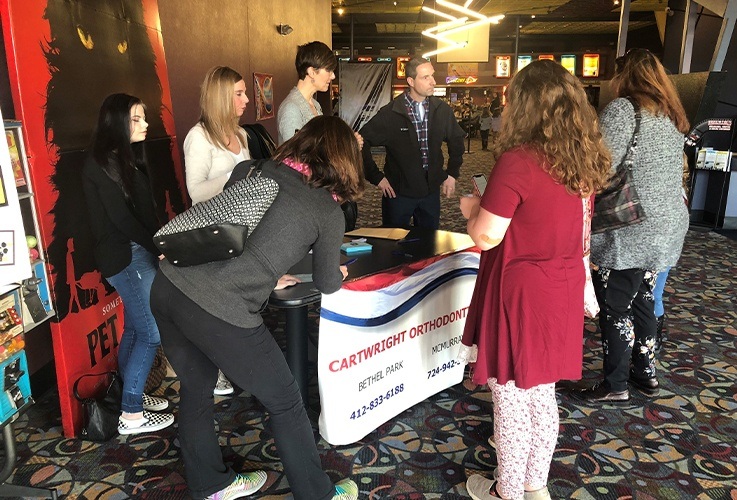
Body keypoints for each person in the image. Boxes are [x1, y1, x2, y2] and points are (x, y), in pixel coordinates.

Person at [150, 115, 363, 500]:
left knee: (196, 389)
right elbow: (329, 283)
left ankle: (209, 485)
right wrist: (338, 270)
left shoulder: (254, 169)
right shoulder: (327, 211)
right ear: (345, 160)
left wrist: (267, 272)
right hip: (218, 308)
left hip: (168, 283)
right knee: (285, 401)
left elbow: (230, 231)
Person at [458, 60, 611, 500]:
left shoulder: (520, 159)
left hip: (521, 290)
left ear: (523, 106)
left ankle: (507, 491)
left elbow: (487, 235)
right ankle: (534, 486)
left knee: (509, 395)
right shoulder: (582, 159)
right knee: (541, 393)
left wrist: (472, 208)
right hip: (562, 285)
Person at [576, 48, 689, 403]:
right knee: (644, 297)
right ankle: (645, 373)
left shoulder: (624, 110)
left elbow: (601, 168)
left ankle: (615, 384)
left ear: (623, 76)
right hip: (668, 225)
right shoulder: (671, 114)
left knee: (615, 304)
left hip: (633, 226)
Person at [81, 94, 175, 435]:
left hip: (135, 252)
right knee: (152, 332)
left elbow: (143, 212)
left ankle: (128, 396)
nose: (146, 123)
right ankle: (132, 414)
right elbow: (121, 219)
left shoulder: (121, 157)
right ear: (118, 121)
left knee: (136, 329)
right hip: (127, 256)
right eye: (138, 118)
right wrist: (158, 246)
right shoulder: (100, 164)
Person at [184, 65, 254, 397]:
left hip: (240, 229)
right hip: (212, 236)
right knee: (218, 306)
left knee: (238, 301)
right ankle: (216, 372)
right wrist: (236, 176)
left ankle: (232, 365)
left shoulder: (240, 135)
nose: (246, 99)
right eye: (239, 93)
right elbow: (195, 192)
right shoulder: (198, 137)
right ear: (221, 97)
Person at [359, 57, 465, 229]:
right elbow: (360, 142)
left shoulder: (442, 110)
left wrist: (452, 174)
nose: (433, 81)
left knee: (429, 245)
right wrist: (376, 177)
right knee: (393, 246)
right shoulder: (390, 113)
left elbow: (456, 140)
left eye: (432, 76)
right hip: (398, 193)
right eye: (425, 77)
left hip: (430, 192)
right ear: (411, 81)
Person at [277, 41, 336, 145]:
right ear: (312, 72)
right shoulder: (291, 108)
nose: (333, 76)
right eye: (329, 70)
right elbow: (294, 155)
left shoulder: (316, 105)